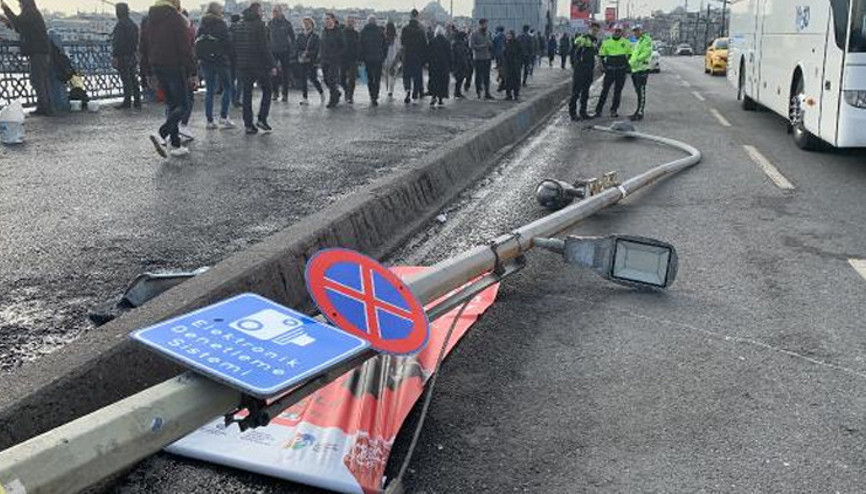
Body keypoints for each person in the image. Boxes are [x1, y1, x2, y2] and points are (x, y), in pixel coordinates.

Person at [140, 0, 196, 157]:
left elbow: (143, 46)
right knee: (183, 105)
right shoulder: (176, 19)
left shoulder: (148, 20)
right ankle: (161, 134)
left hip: (157, 65)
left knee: (172, 104)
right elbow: (185, 47)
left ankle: (176, 144)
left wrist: (147, 72)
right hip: (175, 65)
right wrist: (192, 71)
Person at [1, 0, 52, 116]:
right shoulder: (32, 12)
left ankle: (44, 108)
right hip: (41, 52)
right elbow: (21, 27)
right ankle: (45, 107)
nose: (19, 6)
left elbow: (18, 23)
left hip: (38, 52)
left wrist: (6, 8)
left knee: (37, 80)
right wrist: (6, 21)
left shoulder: (30, 12)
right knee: (40, 80)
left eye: (20, 4)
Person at [233, 2, 277, 134]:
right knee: (268, 90)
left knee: (247, 94)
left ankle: (248, 124)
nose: (263, 13)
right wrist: (272, 64)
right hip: (259, 65)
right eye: (262, 11)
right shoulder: (260, 25)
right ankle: (262, 119)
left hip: (243, 65)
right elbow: (264, 47)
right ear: (257, 11)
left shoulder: (239, 25)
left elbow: (234, 46)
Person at [195, 2, 234, 129]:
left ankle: (209, 120)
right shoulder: (221, 23)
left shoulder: (202, 24)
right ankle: (223, 117)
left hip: (206, 61)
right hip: (220, 59)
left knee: (210, 90)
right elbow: (228, 42)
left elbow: (197, 41)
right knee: (227, 87)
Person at [595, 24, 631, 118]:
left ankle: (614, 110)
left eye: (619, 31)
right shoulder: (606, 42)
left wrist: (628, 67)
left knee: (617, 92)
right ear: (612, 31)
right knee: (604, 91)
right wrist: (601, 66)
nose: (617, 32)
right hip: (610, 70)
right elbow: (601, 56)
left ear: (621, 32)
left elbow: (630, 55)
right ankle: (598, 110)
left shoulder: (626, 42)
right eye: (616, 31)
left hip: (621, 71)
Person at [111, 2, 140, 110]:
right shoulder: (132, 24)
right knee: (133, 78)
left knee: (126, 79)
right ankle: (137, 100)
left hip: (122, 55)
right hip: (132, 54)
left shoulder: (120, 25)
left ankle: (127, 101)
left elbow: (118, 42)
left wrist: (115, 55)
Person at [568, 22, 600, 121]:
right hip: (580, 70)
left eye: (596, 31)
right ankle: (573, 113)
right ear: (589, 29)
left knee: (586, 92)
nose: (595, 32)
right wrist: (574, 65)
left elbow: (595, 55)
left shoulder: (594, 42)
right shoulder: (583, 38)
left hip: (589, 70)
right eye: (593, 30)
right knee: (576, 92)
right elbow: (574, 47)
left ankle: (583, 112)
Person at [268, 5, 295, 103]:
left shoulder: (287, 23)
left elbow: (292, 37)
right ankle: (275, 93)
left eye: (276, 11)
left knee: (285, 73)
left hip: (284, 51)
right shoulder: (270, 23)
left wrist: (291, 49)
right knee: (273, 73)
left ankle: (285, 94)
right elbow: (267, 37)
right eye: (273, 11)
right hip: (273, 51)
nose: (275, 13)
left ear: (281, 12)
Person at [296, 17, 324, 105]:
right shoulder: (300, 36)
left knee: (313, 78)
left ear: (312, 25)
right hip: (302, 60)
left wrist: (308, 55)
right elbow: (296, 47)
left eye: (308, 23)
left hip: (311, 61)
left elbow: (316, 49)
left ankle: (321, 92)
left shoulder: (315, 37)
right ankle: (305, 98)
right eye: (304, 23)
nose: (306, 25)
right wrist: (300, 55)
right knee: (303, 79)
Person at [400, 9, 426, 104]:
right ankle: (415, 93)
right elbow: (424, 45)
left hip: (407, 55)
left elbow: (402, 42)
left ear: (410, 16)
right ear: (417, 17)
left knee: (406, 75)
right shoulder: (421, 31)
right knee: (416, 76)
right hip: (418, 57)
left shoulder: (405, 29)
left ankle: (407, 90)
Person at [319, 12, 345, 109]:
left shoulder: (338, 32)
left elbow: (343, 46)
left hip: (334, 60)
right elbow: (321, 45)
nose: (327, 21)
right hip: (324, 59)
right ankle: (336, 93)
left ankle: (332, 100)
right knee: (325, 79)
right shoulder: (324, 31)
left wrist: (336, 55)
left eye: (328, 19)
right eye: (325, 19)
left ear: (333, 20)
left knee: (331, 79)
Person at [359, 15, 386, 106]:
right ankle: (375, 95)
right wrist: (383, 56)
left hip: (368, 59)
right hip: (378, 58)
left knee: (370, 78)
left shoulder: (363, 32)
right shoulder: (380, 31)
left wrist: (361, 58)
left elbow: (360, 46)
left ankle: (372, 95)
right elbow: (385, 46)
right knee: (377, 78)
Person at [629, 24, 653, 121]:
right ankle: (637, 111)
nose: (635, 33)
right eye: (634, 31)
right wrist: (630, 62)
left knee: (641, 92)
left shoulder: (646, 40)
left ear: (641, 31)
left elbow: (647, 52)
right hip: (635, 69)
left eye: (637, 31)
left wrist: (635, 61)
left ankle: (640, 113)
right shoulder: (637, 41)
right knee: (638, 91)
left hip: (642, 69)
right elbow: (634, 54)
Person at [427, 25, 451, 107]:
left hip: (434, 65)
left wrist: (427, 63)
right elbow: (450, 55)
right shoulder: (447, 42)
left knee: (434, 81)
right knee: (442, 81)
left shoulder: (432, 41)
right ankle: (440, 99)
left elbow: (428, 53)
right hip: (444, 65)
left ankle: (433, 97)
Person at [470, 18, 494, 100]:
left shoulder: (488, 33)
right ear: (480, 24)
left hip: (487, 57)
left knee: (487, 76)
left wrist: (490, 44)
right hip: (478, 58)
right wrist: (483, 46)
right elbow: (472, 46)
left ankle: (487, 93)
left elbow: (491, 44)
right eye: (484, 24)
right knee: (478, 76)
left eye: (486, 24)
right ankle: (478, 93)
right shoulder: (474, 34)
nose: (486, 26)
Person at [340, 16, 360, 104]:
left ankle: (350, 96)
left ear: (354, 23)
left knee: (352, 79)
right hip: (343, 58)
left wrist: (358, 56)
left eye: (352, 22)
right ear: (346, 23)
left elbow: (359, 46)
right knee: (342, 78)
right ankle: (346, 90)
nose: (350, 23)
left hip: (353, 59)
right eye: (348, 22)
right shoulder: (341, 33)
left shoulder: (356, 34)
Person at [503, 29, 523, 101]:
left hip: (515, 65)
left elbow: (520, 53)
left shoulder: (517, 43)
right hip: (508, 65)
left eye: (509, 35)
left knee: (516, 80)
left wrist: (518, 62)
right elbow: (504, 53)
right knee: (508, 80)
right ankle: (508, 94)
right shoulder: (506, 43)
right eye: (507, 35)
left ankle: (516, 94)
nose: (508, 36)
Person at [451, 30, 471, 99]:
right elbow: (462, 55)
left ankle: (457, 92)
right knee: (460, 79)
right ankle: (457, 93)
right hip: (460, 64)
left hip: (457, 64)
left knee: (459, 79)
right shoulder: (460, 44)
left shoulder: (455, 43)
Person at [383, 21, 400, 100]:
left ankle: (387, 89)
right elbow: (398, 50)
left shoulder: (384, 37)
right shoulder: (396, 38)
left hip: (385, 60)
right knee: (392, 76)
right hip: (393, 59)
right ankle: (390, 91)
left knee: (386, 75)